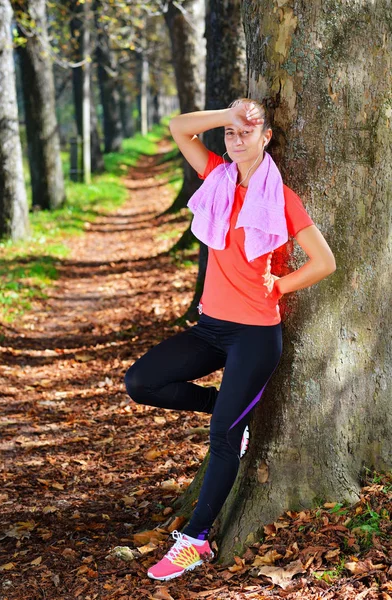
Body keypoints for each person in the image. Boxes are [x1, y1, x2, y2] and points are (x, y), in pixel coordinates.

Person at [125, 99, 336, 582]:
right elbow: (179, 128)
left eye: (250, 131)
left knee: (221, 439)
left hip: (256, 337)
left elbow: (325, 261)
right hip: (211, 327)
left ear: (267, 139)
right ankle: (227, 408)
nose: (238, 139)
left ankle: (194, 540)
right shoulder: (217, 177)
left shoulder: (281, 197)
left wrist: (280, 286)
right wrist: (228, 115)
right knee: (141, 382)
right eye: (232, 133)